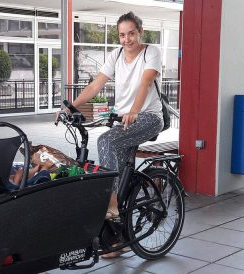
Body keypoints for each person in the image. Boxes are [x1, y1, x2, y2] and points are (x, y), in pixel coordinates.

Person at [62, 11, 164, 257]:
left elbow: (145, 83)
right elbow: (96, 84)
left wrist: (135, 110)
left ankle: (112, 207)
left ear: (140, 32)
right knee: (118, 167)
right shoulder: (116, 55)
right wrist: (71, 107)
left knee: (106, 141)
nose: (127, 39)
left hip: (149, 117)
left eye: (131, 33)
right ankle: (117, 236)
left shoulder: (151, 52)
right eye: (122, 35)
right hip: (125, 120)